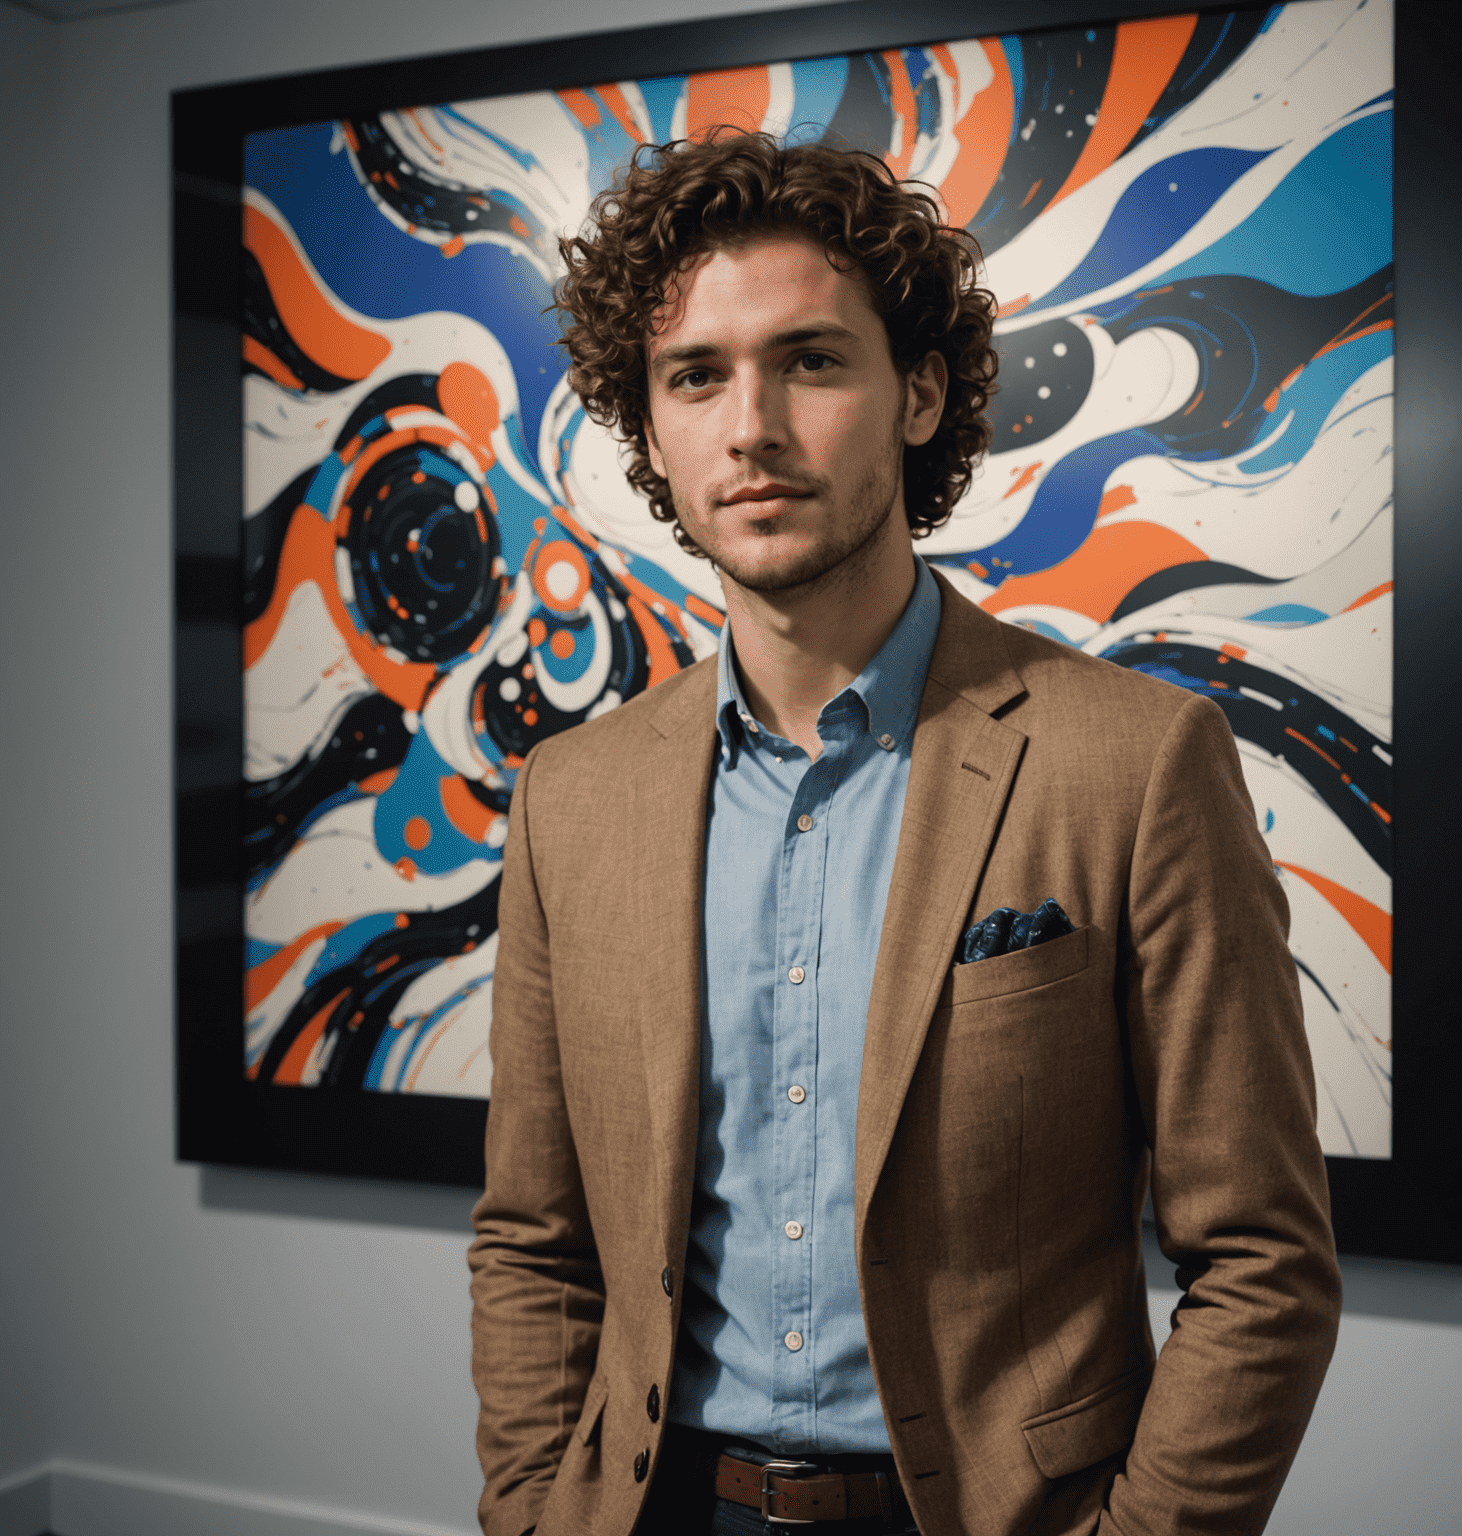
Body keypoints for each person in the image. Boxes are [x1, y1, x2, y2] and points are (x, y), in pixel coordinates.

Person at [468, 132, 1341, 1536]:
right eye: (694, 376)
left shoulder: (1135, 762)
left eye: (810, 361)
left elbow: (1263, 1261)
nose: (750, 428)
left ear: (919, 393)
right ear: (651, 426)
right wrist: (529, 1510)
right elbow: (534, 1240)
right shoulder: (572, 797)